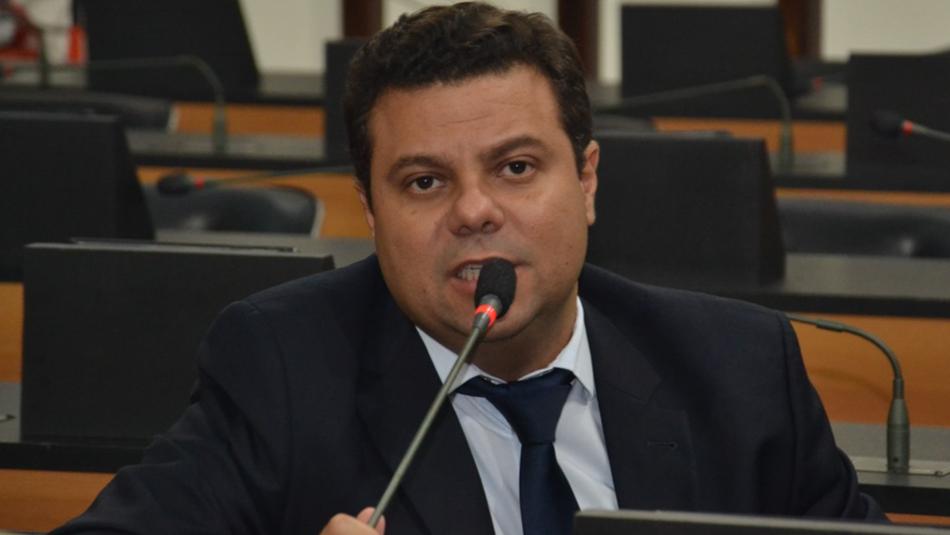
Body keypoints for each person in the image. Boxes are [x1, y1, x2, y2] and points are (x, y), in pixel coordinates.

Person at [54, 3, 883, 534]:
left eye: (516, 168)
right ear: (371, 210)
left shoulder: (740, 370)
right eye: (425, 182)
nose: (475, 211)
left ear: (587, 180)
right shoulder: (283, 369)